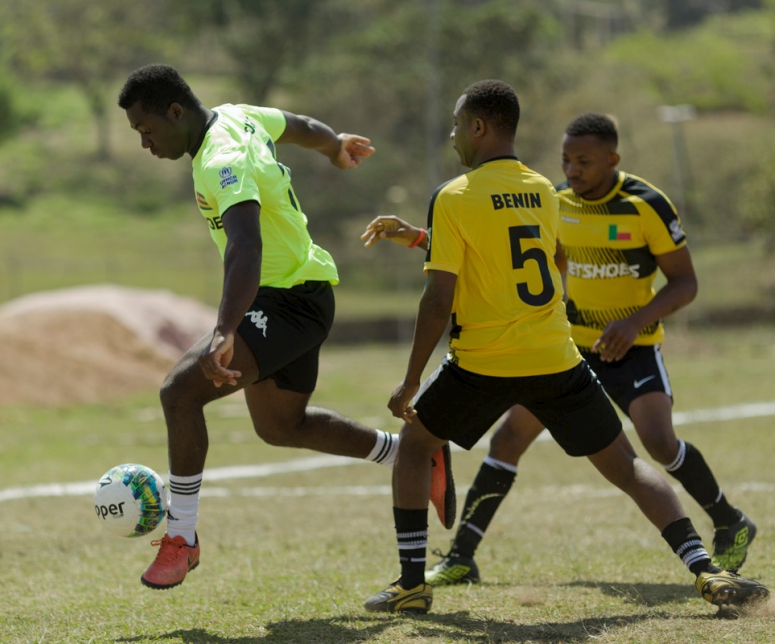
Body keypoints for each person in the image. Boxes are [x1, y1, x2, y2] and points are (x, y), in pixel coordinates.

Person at [359, 80, 768, 615]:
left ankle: (413, 584)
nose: (455, 134)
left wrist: (412, 379)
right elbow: (549, 259)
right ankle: (705, 570)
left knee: (414, 446)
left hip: (484, 363)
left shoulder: (455, 194)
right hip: (558, 356)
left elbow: (439, 298)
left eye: (459, 124)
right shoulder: (544, 193)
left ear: (480, 127)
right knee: (626, 463)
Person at [115, 63, 454, 590]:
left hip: (287, 301)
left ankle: (182, 538)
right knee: (280, 427)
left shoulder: (221, 159)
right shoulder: (238, 116)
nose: (145, 143)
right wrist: (335, 143)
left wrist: (225, 330)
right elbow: (295, 124)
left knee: (180, 393)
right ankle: (410, 452)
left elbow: (245, 246)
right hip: (302, 292)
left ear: (175, 112)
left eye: (146, 129)